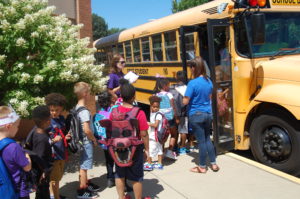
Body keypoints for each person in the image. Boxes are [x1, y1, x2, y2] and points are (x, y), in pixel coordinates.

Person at [113, 79, 149, 199]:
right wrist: (147, 150)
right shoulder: (139, 112)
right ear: (134, 96)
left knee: (119, 173)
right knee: (136, 175)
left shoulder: (114, 111)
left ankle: (121, 197)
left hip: (117, 148)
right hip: (135, 148)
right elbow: (143, 134)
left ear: (121, 96)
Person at [183, 57, 220, 173]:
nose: (190, 70)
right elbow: (209, 98)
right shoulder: (209, 81)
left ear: (194, 68)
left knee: (201, 141)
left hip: (196, 115)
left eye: (191, 68)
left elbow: (185, 101)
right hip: (208, 114)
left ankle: (202, 166)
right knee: (207, 139)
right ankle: (214, 164)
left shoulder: (192, 83)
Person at [74, 82, 100, 198]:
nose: (90, 94)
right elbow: (87, 130)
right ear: (85, 94)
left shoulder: (76, 107)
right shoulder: (84, 111)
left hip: (81, 141)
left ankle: (85, 184)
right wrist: (94, 139)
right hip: (86, 141)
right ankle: (82, 190)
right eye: (89, 92)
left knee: (83, 164)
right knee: (84, 166)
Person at [0, 105, 32, 199]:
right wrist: (27, 157)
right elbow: (27, 167)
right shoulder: (13, 147)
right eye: (17, 126)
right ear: (9, 126)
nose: (18, 129)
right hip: (19, 191)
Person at [45, 93, 71, 199]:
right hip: (53, 155)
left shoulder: (61, 119)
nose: (54, 113)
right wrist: (52, 140)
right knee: (54, 179)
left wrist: (66, 136)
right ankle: (54, 196)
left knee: (58, 177)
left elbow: (62, 133)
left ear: (61, 109)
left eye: (57, 110)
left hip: (61, 153)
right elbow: (43, 139)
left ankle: (56, 195)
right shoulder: (47, 122)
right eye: (52, 110)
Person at [31, 105, 57, 199]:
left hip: (41, 172)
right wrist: (44, 171)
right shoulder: (41, 138)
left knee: (41, 193)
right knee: (43, 194)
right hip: (42, 174)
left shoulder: (36, 130)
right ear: (47, 121)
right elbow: (39, 157)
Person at [94, 91, 116, 188]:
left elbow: (95, 131)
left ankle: (110, 179)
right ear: (110, 100)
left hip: (104, 143)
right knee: (118, 161)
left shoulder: (97, 115)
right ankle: (120, 179)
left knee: (109, 161)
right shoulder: (114, 110)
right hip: (115, 141)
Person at [154, 78, 178, 160]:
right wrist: (176, 117)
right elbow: (173, 107)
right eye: (168, 85)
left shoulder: (156, 95)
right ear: (164, 86)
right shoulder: (169, 95)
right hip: (170, 118)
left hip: (161, 119)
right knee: (174, 134)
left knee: (162, 135)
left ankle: (162, 153)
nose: (169, 87)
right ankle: (169, 151)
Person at [169, 71, 189, 155]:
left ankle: (174, 147)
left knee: (174, 132)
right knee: (183, 131)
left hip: (173, 113)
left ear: (176, 78)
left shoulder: (171, 88)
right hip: (183, 113)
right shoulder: (186, 88)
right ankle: (182, 147)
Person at [144, 95, 164, 171]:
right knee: (159, 149)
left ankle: (149, 163)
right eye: (154, 106)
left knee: (150, 149)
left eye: (157, 107)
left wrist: (148, 123)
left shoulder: (158, 115)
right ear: (151, 106)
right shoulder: (154, 113)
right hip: (159, 135)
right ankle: (159, 163)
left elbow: (155, 125)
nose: (155, 108)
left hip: (154, 136)